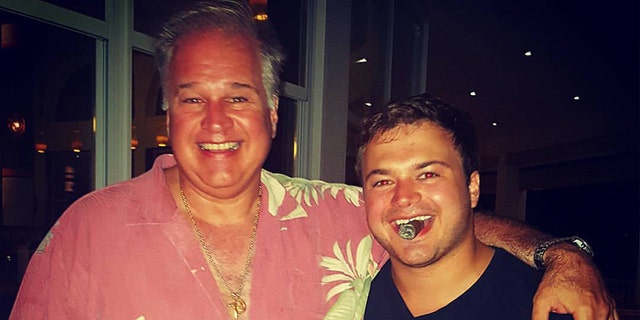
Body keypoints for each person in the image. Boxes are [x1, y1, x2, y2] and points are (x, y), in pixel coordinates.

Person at [10, 1, 615, 319]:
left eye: (239, 98)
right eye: (193, 99)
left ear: (274, 111)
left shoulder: (341, 212)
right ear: (167, 115)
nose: (215, 123)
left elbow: (436, 223)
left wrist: (564, 255)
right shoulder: (85, 236)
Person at [359, 93, 616, 319]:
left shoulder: (550, 306)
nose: (402, 197)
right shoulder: (352, 282)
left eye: (428, 175)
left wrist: (567, 256)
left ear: (472, 188)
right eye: (382, 181)